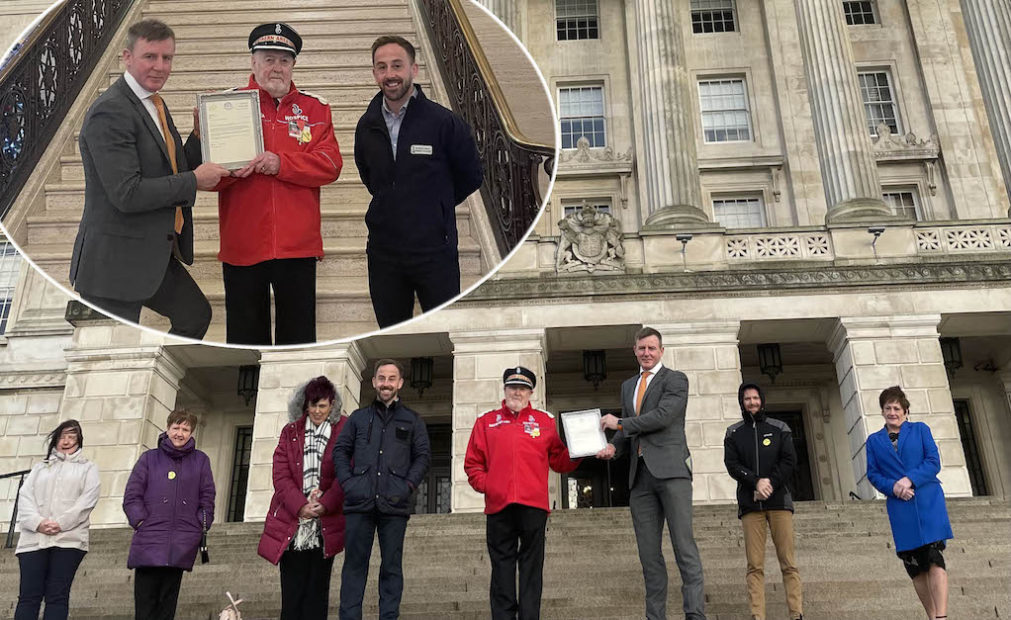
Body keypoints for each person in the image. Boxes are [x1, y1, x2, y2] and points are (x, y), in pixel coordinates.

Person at [70, 19, 229, 338]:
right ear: (127, 57)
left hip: (149, 250)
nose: (160, 66)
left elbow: (170, 166)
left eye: (166, 58)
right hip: (113, 264)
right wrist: (194, 182)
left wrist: (198, 136)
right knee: (110, 361)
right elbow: (126, 193)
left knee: (195, 314)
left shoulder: (153, 103)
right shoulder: (111, 111)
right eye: (150, 56)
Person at [209, 22, 342, 346]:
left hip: (297, 244)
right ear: (253, 62)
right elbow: (207, 178)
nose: (276, 68)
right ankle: (247, 392)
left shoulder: (315, 109)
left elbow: (330, 165)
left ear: (293, 64)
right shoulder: (226, 107)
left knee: (297, 338)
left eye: (284, 60)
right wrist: (223, 165)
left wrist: (281, 163)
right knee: (244, 337)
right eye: (269, 59)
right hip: (243, 242)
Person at [355, 35, 483, 328]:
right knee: (392, 335)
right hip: (384, 255)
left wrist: (434, 206)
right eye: (382, 67)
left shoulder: (444, 122)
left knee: (443, 333)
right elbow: (369, 175)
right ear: (375, 73)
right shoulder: (367, 125)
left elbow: (471, 175)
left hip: (435, 253)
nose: (390, 74)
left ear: (414, 69)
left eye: (397, 66)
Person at [596, 326, 706, 620]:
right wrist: (612, 448)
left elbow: (663, 417)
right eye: (642, 348)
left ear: (661, 351)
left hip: (671, 472)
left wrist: (619, 424)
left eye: (652, 348)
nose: (646, 353)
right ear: (635, 350)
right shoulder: (628, 385)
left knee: (684, 547)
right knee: (649, 555)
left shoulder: (676, 379)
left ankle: (695, 614)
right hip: (640, 477)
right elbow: (630, 430)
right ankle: (655, 616)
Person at [464, 366, 581, 620]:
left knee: (531, 568)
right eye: (513, 387)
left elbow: (559, 461)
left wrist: (578, 450)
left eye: (523, 388)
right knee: (502, 567)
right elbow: (473, 463)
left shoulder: (545, 421)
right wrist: (490, 485)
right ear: (504, 390)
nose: (517, 392)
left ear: (531, 393)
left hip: (533, 506)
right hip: (499, 506)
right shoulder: (486, 421)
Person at [333, 358, 430, 620]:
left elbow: (422, 457)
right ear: (374, 382)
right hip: (358, 503)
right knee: (354, 567)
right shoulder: (358, 418)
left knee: (392, 568)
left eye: (391, 378)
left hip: (395, 505)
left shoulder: (412, 420)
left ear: (399, 383)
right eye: (381, 378)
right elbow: (340, 451)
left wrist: (407, 486)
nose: (386, 383)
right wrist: (348, 483)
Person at [257, 376, 347, 619]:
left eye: (322, 405)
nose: (317, 411)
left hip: (325, 524)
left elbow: (348, 472)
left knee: (317, 595)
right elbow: (281, 474)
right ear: (304, 404)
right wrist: (300, 506)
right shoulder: (290, 432)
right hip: (292, 523)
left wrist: (325, 504)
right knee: (292, 595)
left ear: (332, 405)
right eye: (312, 405)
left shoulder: (345, 429)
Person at [866, 385, 952, 620]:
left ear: (905, 411)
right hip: (900, 507)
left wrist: (909, 479)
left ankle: (942, 616)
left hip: (927, 502)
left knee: (934, 558)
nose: (892, 412)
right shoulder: (873, 441)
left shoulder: (920, 430)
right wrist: (893, 487)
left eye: (896, 408)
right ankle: (932, 615)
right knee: (915, 567)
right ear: (882, 411)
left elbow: (933, 461)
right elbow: (873, 474)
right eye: (888, 408)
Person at [122, 410, 215, 620]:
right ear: (168, 429)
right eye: (176, 428)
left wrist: (202, 523)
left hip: (182, 541)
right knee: (145, 606)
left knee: (167, 607)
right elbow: (132, 494)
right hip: (149, 538)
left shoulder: (201, 460)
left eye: (185, 429)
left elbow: (207, 496)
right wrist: (140, 521)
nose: (180, 433)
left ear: (191, 433)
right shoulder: (149, 458)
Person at [724, 383, 803, 620]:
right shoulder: (733, 432)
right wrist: (755, 482)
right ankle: (757, 615)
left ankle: (796, 612)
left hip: (779, 502)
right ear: (742, 402)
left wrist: (769, 484)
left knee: (788, 561)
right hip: (751, 505)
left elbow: (789, 460)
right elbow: (732, 465)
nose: (752, 402)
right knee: (754, 565)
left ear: (762, 400)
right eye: (747, 399)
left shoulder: (780, 428)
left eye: (755, 398)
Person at [14, 420, 100, 620]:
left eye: (72, 437)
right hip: (33, 541)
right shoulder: (40, 468)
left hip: (69, 541)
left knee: (57, 596)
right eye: (63, 436)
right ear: (55, 439)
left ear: (79, 441)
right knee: (28, 597)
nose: (67, 441)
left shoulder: (88, 468)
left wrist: (60, 523)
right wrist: (38, 523)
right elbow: (25, 497)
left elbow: (87, 501)